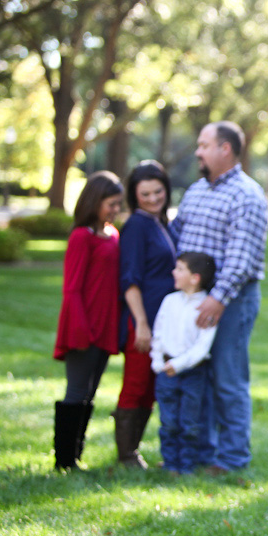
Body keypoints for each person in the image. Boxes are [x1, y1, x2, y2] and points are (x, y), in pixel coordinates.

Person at [170, 120, 268, 475]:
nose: (197, 151)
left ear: (224, 149)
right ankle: (201, 451)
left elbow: (242, 257)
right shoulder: (196, 190)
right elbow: (178, 238)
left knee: (228, 378)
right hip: (194, 300)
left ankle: (232, 458)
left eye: (203, 144)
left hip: (232, 300)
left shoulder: (247, 194)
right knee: (198, 376)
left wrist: (219, 298)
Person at [53, 170, 124, 471]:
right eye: (111, 203)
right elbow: (72, 288)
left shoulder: (112, 234)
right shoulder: (81, 237)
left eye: (118, 204)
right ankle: (64, 461)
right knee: (76, 391)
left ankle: (75, 455)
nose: (115, 209)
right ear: (95, 201)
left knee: (90, 393)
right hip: (84, 327)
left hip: (106, 325)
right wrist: (80, 329)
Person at [113, 160, 178, 468]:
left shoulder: (159, 222)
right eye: (145, 194)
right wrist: (140, 323)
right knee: (136, 385)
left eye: (158, 191)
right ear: (134, 196)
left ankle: (133, 452)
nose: (153, 199)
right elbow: (130, 279)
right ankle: (126, 455)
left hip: (162, 323)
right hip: (143, 321)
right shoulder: (137, 226)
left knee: (150, 389)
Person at [150, 252, 218, 476]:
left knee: (189, 423)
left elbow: (202, 347)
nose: (173, 272)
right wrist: (158, 361)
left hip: (192, 373)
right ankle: (171, 464)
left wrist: (178, 365)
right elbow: (158, 333)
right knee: (168, 421)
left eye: (179, 269)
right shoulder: (170, 301)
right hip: (165, 371)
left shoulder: (206, 307)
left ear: (195, 277)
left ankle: (187, 466)